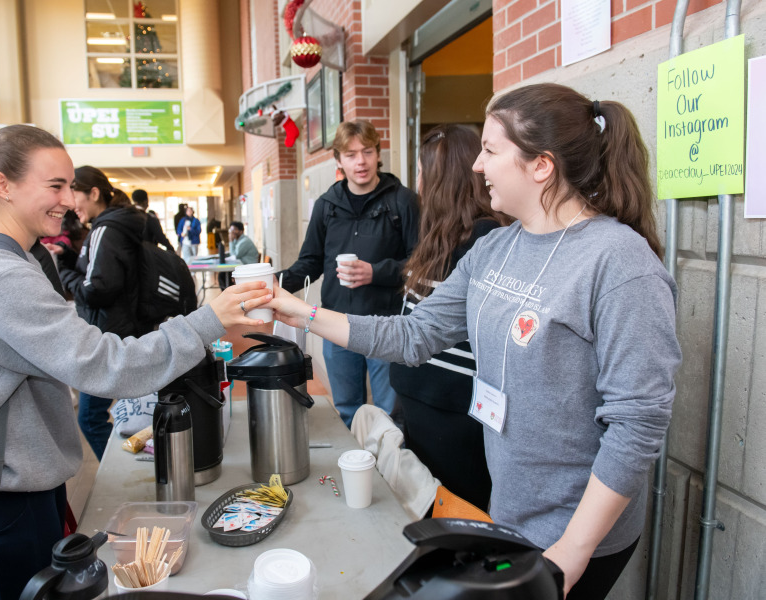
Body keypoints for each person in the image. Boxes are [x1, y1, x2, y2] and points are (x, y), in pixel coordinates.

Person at [267, 83, 681, 600]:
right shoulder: (498, 247)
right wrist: (301, 312)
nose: (478, 166)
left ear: (541, 166)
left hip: (579, 537)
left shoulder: (619, 263)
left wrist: (571, 551)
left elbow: (637, 422)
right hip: (510, 509)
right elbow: (415, 334)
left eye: (490, 150)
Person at [0, 124, 270, 600]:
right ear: (2, 185)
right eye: (54, 186)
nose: (69, 200)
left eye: (70, 186)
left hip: (21, 478)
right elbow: (104, 364)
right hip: (1, 495)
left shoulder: (22, 260)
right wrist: (206, 321)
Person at [390, 124, 511, 510]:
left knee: (460, 519)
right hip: (421, 404)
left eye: (423, 171)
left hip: (455, 417)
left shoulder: (486, 239)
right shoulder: (439, 235)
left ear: (443, 179)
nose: (418, 182)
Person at [277, 119, 419, 428]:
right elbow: (310, 263)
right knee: (346, 411)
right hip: (335, 324)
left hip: (387, 325)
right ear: (338, 160)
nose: (361, 161)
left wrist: (375, 272)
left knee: (390, 415)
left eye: (367, 152)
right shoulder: (327, 206)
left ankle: (389, 474)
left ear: (378, 154)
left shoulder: (402, 201)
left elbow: (421, 263)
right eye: (351, 154)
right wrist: (271, 282)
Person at [55, 166, 154, 460]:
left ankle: (116, 477)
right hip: (127, 329)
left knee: (89, 418)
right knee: (131, 413)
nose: (71, 204)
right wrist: (73, 259)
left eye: (74, 194)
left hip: (109, 335)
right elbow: (104, 269)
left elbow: (97, 288)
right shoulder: (121, 224)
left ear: (94, 193)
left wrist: (62, 272)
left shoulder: (105, 229)